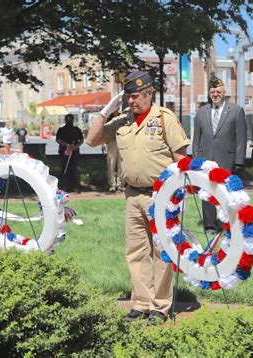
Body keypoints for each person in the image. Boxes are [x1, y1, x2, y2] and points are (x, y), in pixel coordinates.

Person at [86, 71, 189, 325]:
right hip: (132, 195)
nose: (131, 101)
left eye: (135, 97)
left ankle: (160, 306)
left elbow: (182, 160)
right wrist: (105, 111)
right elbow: (91, 140)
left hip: (162, 196)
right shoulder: (121, 121)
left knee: (163, 252)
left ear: (149, 94)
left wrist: (180, 194)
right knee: (136, 252)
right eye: (128, 97)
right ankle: (142, 302)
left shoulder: (165, 119)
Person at [192, 77, 247, 233]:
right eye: (212, 92)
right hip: (206, 160)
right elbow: (197, 138)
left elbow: (241, 137)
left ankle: (225, 225)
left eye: (218, 91)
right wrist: (196, 160)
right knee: (207, 192)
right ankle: (209, 226)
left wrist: (239, 161)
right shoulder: (202, 112)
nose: (215, 94)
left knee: (226, 193)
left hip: (227, 158)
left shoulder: (236, 111)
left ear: (224, 93)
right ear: (209, 93)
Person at [56, 114, 84, 193]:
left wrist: (76, 146)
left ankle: (75, 186)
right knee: (65, 168)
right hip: (64, 151)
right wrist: (67, 145)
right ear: (65, 120)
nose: (69, 121)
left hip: (74, 151)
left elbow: (81, 139)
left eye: (70, 120)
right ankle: (64, 186)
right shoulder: (61, 130)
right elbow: (58, 140)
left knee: (74, 169)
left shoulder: (76, 129)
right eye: (67, 120)